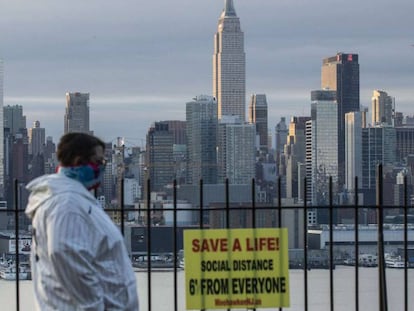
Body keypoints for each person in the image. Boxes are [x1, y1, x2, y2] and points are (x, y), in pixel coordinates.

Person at [25, 132, 139, 310]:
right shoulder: (67, 203)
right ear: (79, 161)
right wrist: (92, 306)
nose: (102, 167)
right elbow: (64, 252)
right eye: (99, 162)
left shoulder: (72, 199)